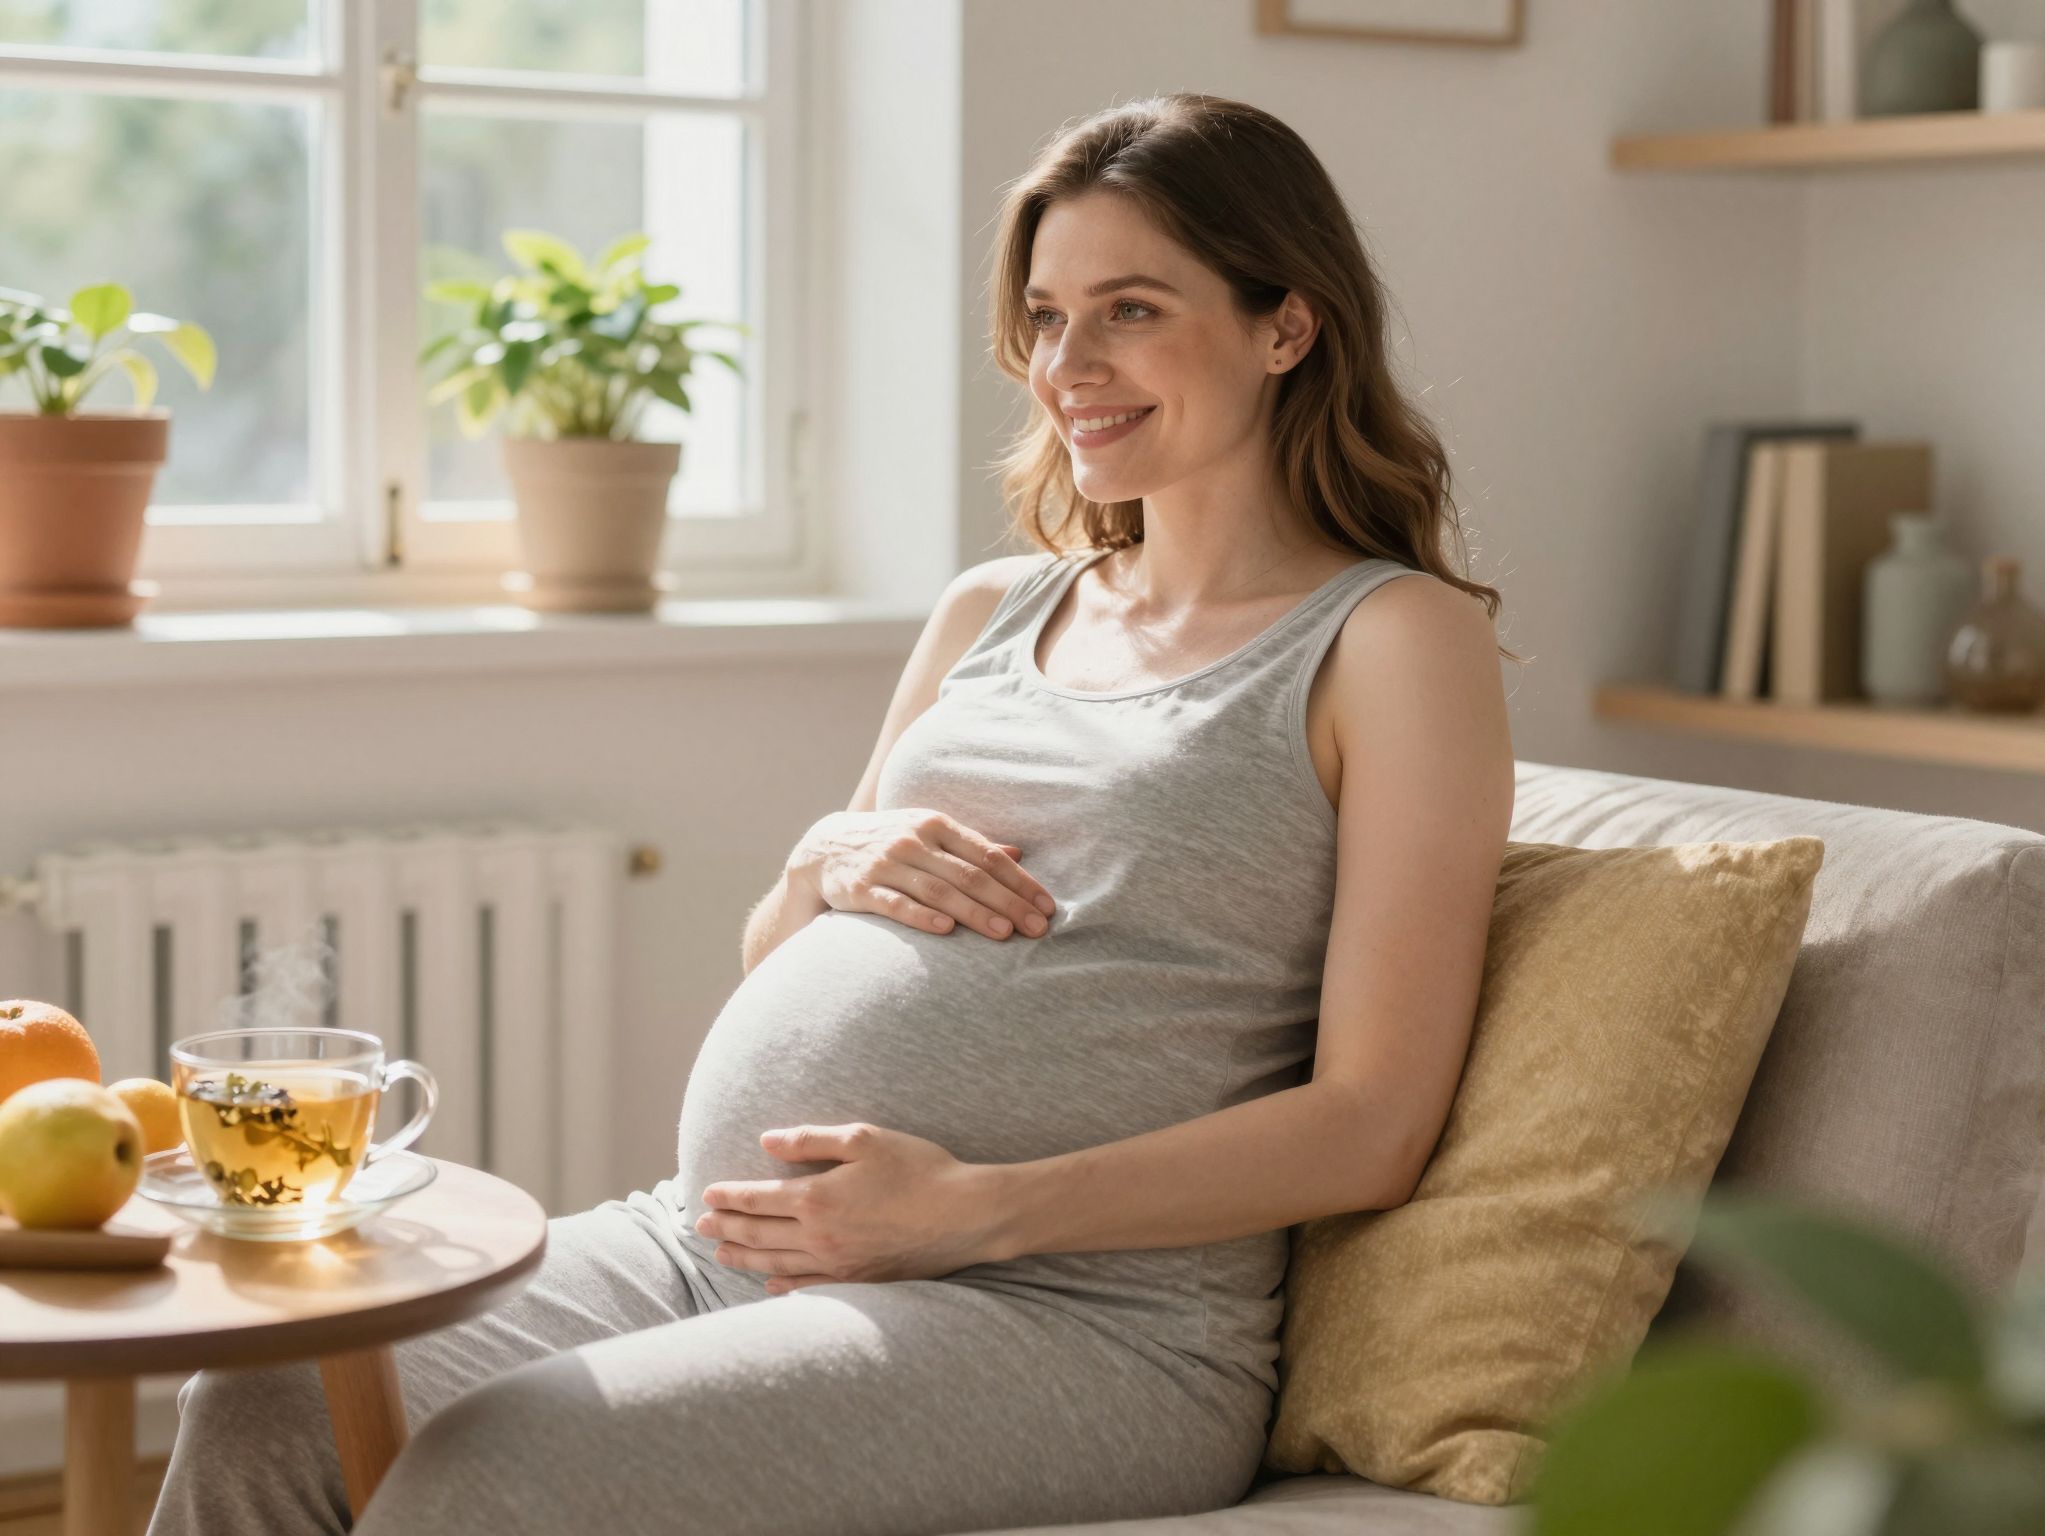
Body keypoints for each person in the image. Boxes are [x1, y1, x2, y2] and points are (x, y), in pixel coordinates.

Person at [147, 91, 1518, 1536]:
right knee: (268, 1391)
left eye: (1130, 310)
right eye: (1046, 317)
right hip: (707, 1244)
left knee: (499, 1471)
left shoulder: (1392, 642)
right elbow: (779, 954)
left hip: (1069, 1318)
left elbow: (1373, 1124)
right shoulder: (992, 610)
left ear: (1286, 327)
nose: (1068, 365)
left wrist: (974, 1206)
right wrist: (821, 860)